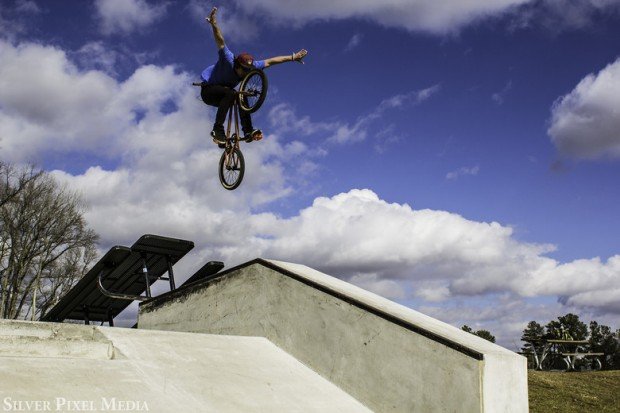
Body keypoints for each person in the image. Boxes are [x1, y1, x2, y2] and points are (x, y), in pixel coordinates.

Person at [201, 7, 308, 144]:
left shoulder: (252, 66)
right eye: (244, 70)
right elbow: (220, 41)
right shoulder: (228, 59)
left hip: (225, 95)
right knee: (230, 93)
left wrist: (293, 57)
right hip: (209, 90)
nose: (247, 73)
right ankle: (217, 129)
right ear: (237, 65)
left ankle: (248, 130)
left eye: (249, 70)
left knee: (241, 94)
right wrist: (214, 25)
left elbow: (271, 61)